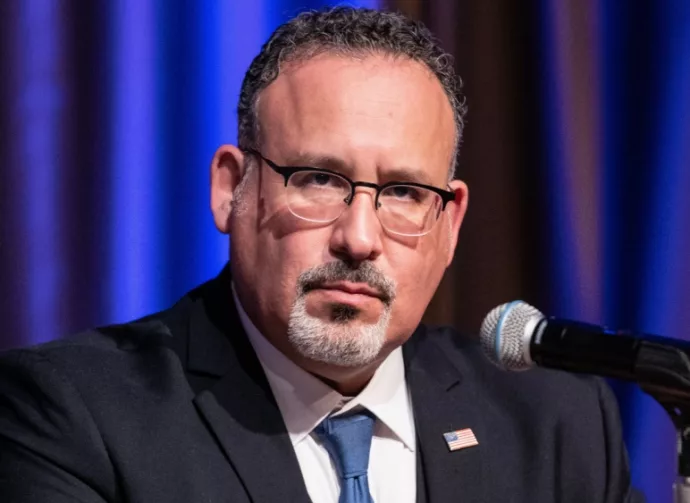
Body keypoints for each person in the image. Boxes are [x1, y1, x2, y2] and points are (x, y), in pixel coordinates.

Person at [0, 7, 643, 503]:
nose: (359, 238)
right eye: (318, 179)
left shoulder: (556, 426)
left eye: (403, 192)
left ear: (449, 224)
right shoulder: (72, 415)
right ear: (231, 189)